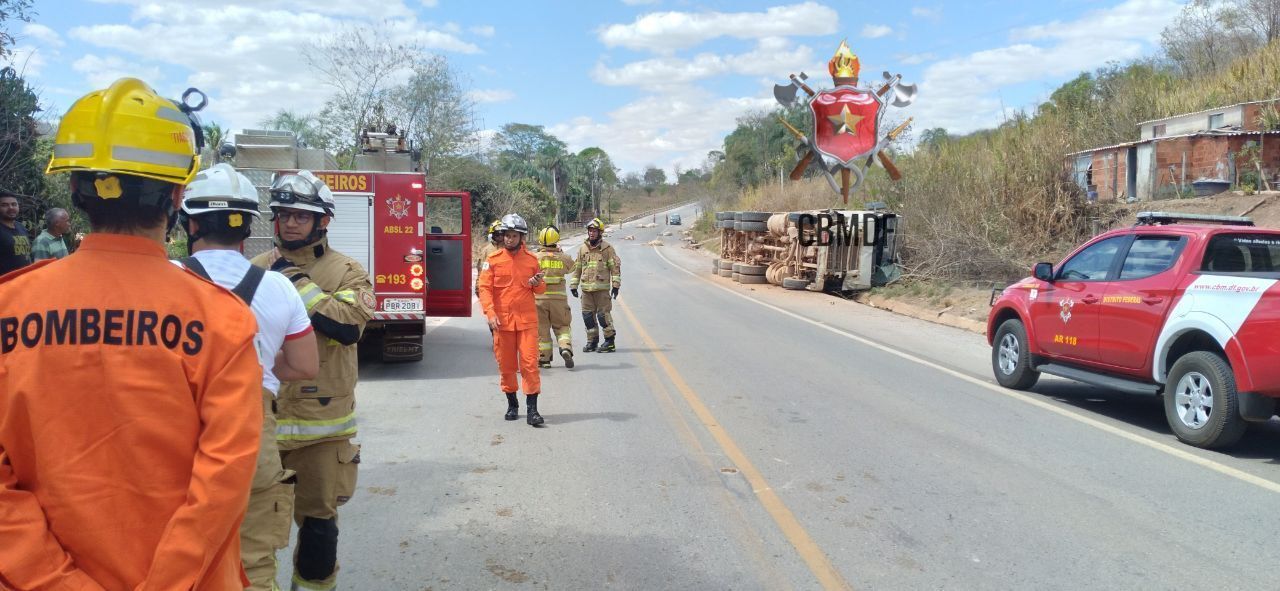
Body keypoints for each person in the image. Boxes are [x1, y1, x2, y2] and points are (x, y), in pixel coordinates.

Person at [0, 77, 262, 589]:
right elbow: (225, 478)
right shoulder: (219, 319)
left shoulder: (9, 308)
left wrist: (58, 581)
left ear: (74, 191)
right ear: (177, 196)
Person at [177, 163, 320, 591]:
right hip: (253, 431)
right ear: (248, 226)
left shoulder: (166, 278)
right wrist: (257, 373)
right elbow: (304, 365)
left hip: (174, 429)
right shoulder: (279, 288)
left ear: (190, 221)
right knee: (253, 561)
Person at [250, 170, 374, 591]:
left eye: (301, 216)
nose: (289, 223)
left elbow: (348, 327)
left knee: (319, 530)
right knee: (249, 530)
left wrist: (292, 280)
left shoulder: (347, 271)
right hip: (256, 425)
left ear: (323, 221)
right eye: (283, 214)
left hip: (322, 431)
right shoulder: (253, 269)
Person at [478, 213, 547, 426]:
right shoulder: (493, 261)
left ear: (521, 237)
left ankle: (532, 411)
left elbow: (541, 290)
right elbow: (484, 289)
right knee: (507, 366)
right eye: (506, 235)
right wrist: (490, 313)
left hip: (527, 322)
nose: (509, 239)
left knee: (529, 365)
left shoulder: (532, 261)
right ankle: (512, 405)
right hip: (502, 323)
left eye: (513, 235)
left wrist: (536, 282)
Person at [570, 217, 622, 352]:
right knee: (587, 317)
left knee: (603, 316)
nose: (591, 233)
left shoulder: (607, 249)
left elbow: (614, 268)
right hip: (586, 291)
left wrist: (616, 285)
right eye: (590, 230)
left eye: (594, 231)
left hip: (602, 291)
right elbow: (578, 268)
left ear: (600, 232)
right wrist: (573, 286)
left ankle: (610, 341)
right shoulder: (583, 249)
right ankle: (592, 341)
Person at [533, 225, 575, 369]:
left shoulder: (534, 258)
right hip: (559, 300)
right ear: (556, 239)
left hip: (539, 300)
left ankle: (544, 360)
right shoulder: (563, 257)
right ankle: (565, 347)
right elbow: (572, 268)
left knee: (542, 330)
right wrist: (559, 252)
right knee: (562, 326)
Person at [0, 189, 31, 274]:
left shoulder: (21, 227)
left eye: (14, 204)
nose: (11, 208)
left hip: (25, 280)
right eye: (4, 205)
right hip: (6, 284)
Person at [475, 218, 501, 297]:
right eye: (497, 234)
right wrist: (478, 287)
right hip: (490, 288)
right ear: (492, 234)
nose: (500, 236)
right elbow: (481, 271)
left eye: (502, 234)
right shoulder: (486, 251)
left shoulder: (509, 249)